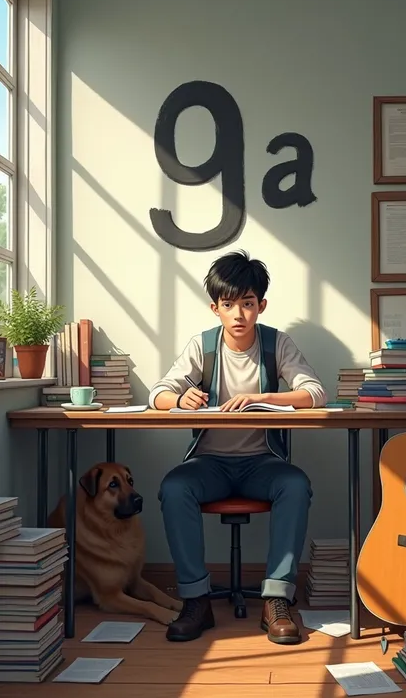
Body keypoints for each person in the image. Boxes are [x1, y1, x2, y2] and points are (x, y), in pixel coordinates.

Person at [149, 249, 327, 644]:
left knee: (295, 484)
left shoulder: (276, 343)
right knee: (175, 487)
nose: (239, 314)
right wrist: (180, 400)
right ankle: (196, 601)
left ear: (261, 305)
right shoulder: (203, 347)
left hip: (261, 464)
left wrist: (262, 398)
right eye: (229, 304)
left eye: (247, 304)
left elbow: (314, 393)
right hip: (209, 463)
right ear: (215, 308)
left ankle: (276, 600)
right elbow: (157, 393)